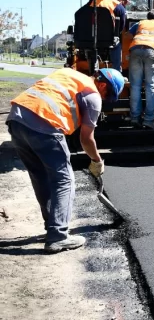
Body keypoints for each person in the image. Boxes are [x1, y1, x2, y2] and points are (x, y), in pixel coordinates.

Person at [5, 67, 124, 253]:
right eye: (107, 95)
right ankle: (58, 236)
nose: (105, 100)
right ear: (102, 84)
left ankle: (52, 228)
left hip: (16, 121)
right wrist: (96, 160)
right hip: (44, 125)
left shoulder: (69, 74)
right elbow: (86, 138)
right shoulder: (92, 95)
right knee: (64, 180)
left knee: (40, 177)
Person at [87, 0, 130, 71]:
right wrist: (116, 34)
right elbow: (121, 26)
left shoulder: (92, 1)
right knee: (116, 45)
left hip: (89, 37)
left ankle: (92, 69)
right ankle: (116, 72)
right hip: (108, 38)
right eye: (125, 1)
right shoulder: (117, 5)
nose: (125, 4)